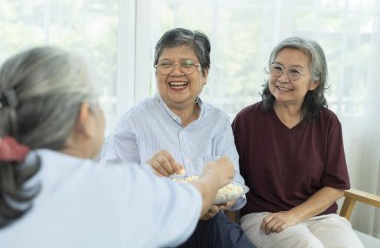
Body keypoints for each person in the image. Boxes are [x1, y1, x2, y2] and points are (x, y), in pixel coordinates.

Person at [0, 46, 236, 248]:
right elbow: (192, 198)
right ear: (84, 117)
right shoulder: (112, 187)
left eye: (187, 64)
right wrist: (213, 176)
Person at [101, 28, 256, 248]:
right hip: (158, 224)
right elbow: (111, 186)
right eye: (165, 64)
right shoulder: (134, 121)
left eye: (187, 64)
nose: (176, 72)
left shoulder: (218, 121)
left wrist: (218, 199)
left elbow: (235, 185)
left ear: (205, 74)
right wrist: (145, 172)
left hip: (210, 222)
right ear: (156, 73)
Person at [232, 36, 364, 248]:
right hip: (264, 217)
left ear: (314, 82)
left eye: (294, 71)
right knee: (307, 245)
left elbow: (336, 186)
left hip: (319, 216)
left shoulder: (327, 122)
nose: (283, 78)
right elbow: (231, 179)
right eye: (277, 68)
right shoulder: (246, 120)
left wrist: (294, 215)